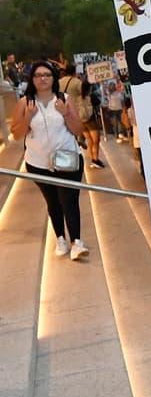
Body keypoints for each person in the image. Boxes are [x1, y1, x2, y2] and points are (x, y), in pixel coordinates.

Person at [9, 59, 89, 261]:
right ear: (32, 79)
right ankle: (60, 238)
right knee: (53, 201)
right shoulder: (24, 102)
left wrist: (65, 113)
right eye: (38, 75)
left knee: (68, 199)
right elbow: (17, 134)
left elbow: (78, 129)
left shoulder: (64, 99)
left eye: (47, 75)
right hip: (38, 162)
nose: (42, 78)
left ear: (54, 78)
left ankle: (76, 242)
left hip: (67, 157)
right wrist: (28, 117)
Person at [68, 75, 103, 169]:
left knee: (90, 140)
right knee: (96, 140)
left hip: (81, 121)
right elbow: (99, 103)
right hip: (91, 120)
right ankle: (95, 159)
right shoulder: (91, 97)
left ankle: (92, 158)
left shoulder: (78, 98)